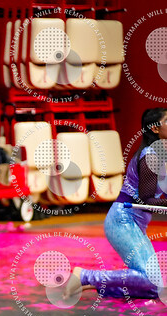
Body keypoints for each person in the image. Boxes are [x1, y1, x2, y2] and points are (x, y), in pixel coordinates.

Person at [67, 108, 167, 299]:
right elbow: (146, 199)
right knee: (149, 280)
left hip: (134, 223)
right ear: (155, 129)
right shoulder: (151, 156)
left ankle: (102, 286)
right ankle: (84, 276)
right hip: (122, 220)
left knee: (154, 288)